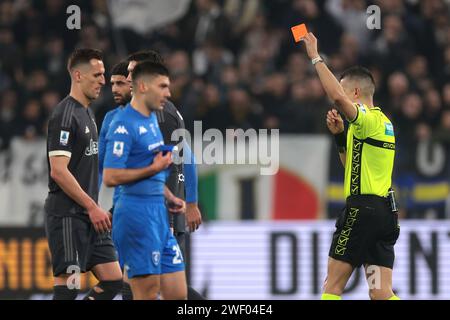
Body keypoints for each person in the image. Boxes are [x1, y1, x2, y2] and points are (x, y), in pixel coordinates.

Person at [300, 33, 400, 300]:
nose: (340, 97)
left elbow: (335, 96)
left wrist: (314, 57)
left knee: (332, 286)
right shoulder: (383, 124)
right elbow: (351, 167)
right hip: (384, 215)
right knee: (381, 293)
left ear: (355, 92)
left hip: (362, 211)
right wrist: (339, 137)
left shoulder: (367, 119)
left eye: (345, 91)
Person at [103, 61, 187, 300]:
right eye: (162, 86)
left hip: (159, 213)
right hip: (136, 216)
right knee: (146, 294)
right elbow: (110, 177)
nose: (168, 93)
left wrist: (169, 196)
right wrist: (154, 168)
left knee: (178, 294)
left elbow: (151, 170)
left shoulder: (151, 119)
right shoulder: (122, 124)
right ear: (143, 86)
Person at [44, 48, 123, 300]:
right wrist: (91, 206)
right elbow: (58, 171)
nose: (103, 80)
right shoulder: (65, 115)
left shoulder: (88, 113)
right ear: (78, 75)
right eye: (97, 75)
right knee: (68, 290)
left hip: (90, 216)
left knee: (113, 282)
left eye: (103, 74)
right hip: (68, 215)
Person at [127, 50, 204, 300]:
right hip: (148, 212)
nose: (128, 78)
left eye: (132, 72)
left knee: (157, 285)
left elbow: (178, 161)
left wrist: (184, 207)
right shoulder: (147, 110)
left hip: (161, 215)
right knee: (145, 284)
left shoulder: (161, 115)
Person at [97, 60, 133, 299]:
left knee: (139, 276)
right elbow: (99, 166)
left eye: (121, 83)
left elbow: (183, 160)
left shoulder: (156, 116)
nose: (115, 89)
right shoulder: (109, 118)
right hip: (120, 208)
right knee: (121, 277)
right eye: (113, 84)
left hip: (149, 207)